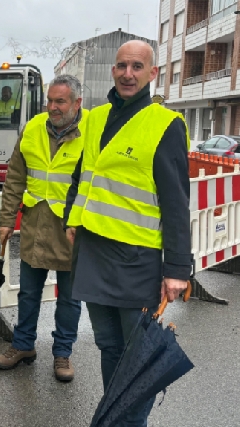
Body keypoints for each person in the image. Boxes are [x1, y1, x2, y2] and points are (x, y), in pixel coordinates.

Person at [64, 40, 191, 426]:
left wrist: (177, 269)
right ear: (113, 70)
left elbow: (176, 202)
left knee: (137, 358)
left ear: (153, 74)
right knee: (108, 347)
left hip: (138, 261)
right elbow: (82, 174)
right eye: (121, 66)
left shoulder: (166, 125)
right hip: (94, 252)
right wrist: (72, 216)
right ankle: (114, 415)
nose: (128, 74)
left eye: (137, 66)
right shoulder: (96, 118)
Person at [0, 75, 85, 381]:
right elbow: (15, 178)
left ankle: (62, 355)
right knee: (28, 294)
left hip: (72, 231)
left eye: (60, 101)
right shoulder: (33, 128)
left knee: (70, 299)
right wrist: (7, 219)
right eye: (50, 100)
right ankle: (23, 346)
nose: (53, 107)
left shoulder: (90, 135)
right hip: (36, 227)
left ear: (77, 103)